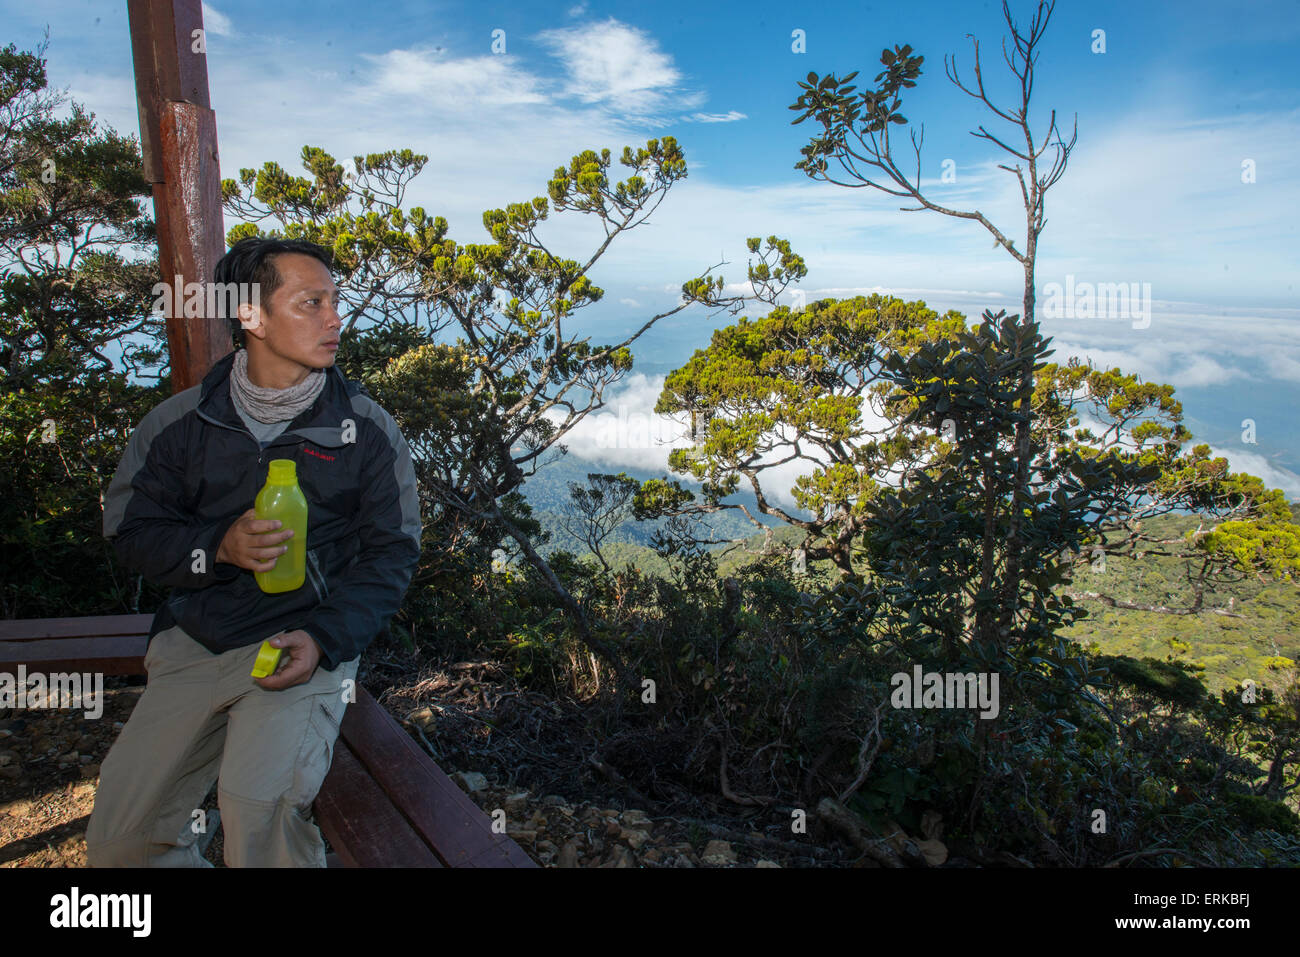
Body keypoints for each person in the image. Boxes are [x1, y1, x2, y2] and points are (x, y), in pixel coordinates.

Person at [85, 237, 422, 867]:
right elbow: (129, 533)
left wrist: (324, 637)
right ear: (251, 317)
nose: (334, 319)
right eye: (311, 302)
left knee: (257, 816)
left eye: (335, 301)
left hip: (300, 641)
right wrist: (216, 549)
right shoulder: (179, 424)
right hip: (199, 639)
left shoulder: (364, 429)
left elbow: (392, 553)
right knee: (121, 843)